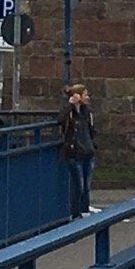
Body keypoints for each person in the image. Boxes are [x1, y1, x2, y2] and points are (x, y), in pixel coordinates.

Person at [58, 84, 96, 216]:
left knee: (86, 186)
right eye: (85, 94)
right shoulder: (69, 112)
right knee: (78, 186)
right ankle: (75, 213)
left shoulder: (87, 111)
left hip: (87, 151)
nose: (87, 97)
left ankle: (84, 210)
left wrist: (93, 144)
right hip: (74, 152)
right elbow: (61, 120)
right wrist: (70, 105)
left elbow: (91, 130)